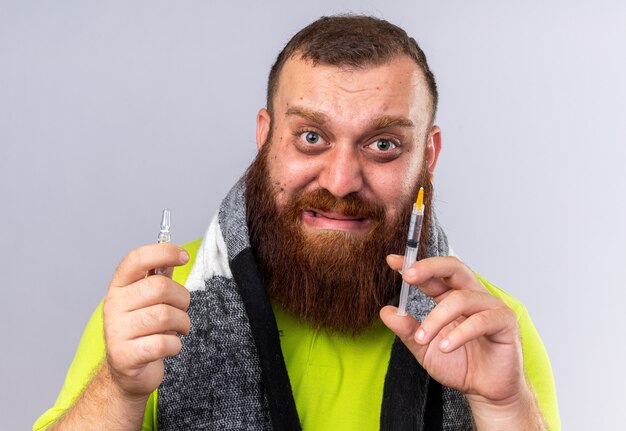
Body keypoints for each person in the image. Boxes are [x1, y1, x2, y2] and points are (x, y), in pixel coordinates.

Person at [34, 15, 559, 431]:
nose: (340, 180)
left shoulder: (488, 330)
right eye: (311, 137)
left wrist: (507, 407)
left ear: (429, 154)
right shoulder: (160, 301)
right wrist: (120, 390)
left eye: (383, 145)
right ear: (265, 139)